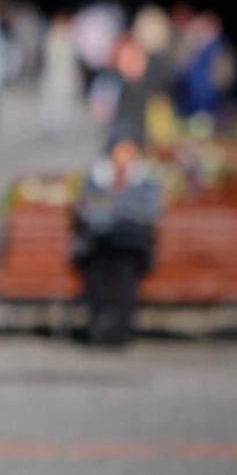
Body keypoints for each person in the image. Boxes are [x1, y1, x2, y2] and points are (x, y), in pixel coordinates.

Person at [72, 133, 161, 347]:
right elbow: (86, 207)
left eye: (129, 150)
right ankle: (98, 327)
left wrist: (113, 208)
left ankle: (120, 331)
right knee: (97, 274)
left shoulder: (145, 177)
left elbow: (148, 211)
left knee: (124, 276)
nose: (124, 155)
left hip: (131, 245)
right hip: (99, 242)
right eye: (120, 150)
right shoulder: (97, 175)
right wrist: (114, 210)